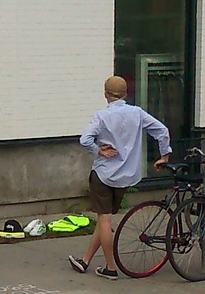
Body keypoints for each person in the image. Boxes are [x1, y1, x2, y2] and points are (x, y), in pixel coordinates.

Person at [69, 75, 171, 279]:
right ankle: (86, 260)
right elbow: (162, 130)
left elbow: (85, 140)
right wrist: (164, 155)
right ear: (126, 94)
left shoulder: (101, 116)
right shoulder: (137, 113)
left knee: (104, 220)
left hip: (104, 174)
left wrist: (99, 151)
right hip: (126, 176)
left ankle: (110, 268)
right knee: (104, 219)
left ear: (106, 94)